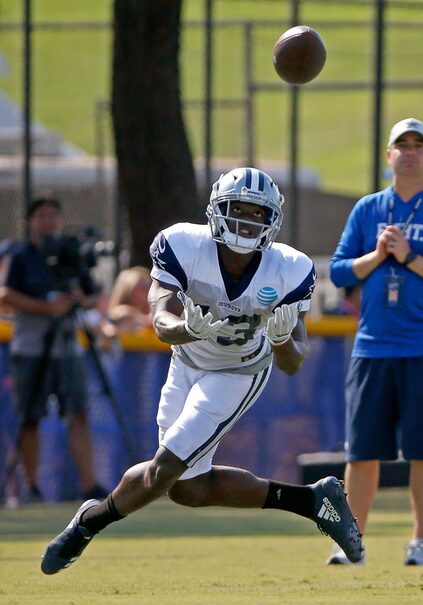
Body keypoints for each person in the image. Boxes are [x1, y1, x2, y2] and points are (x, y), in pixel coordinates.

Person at [39, 167, 363, 575]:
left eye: (257, 214)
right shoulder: (184, 244)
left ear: (272, 221)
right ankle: (313, 500)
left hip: (238, 372)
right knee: (187, 490)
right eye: (238, 209)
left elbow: (294, 364)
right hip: (186, 363)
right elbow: (159, 322)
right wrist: (185, 329)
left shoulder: (289, 268)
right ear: (216, 210)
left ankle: (87, 525)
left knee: (164, 468)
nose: (247, 221)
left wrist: (281, 340)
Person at [329, 118, 423, 566]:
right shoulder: (367, 209)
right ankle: (351, 542)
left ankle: (421, 542)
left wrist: (410, 258)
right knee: (361, 453)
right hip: (372, 347)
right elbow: (338, 272)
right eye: (402, 145)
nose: (410, 152)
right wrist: (377, 256)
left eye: (419, 145)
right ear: (388, 156)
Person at [0, 197, 108, 504]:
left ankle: (90, 485)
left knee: (78, 412)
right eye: (42, 215)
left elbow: (92, 295)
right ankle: (31, 487)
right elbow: (6, 294)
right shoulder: (20, 255)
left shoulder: (69, 253)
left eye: (53, 215)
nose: (48, 221)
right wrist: (46, 307)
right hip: (31, 347)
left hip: (67, 345)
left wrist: (76, 301)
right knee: (30, 417)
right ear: (31, 221)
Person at [100, 266, 153, 338]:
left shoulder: (153, 313)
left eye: (148, 286)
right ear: (128, 290)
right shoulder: (120, 313)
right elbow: (108, 331)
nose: (147, 290)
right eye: (142, 286)